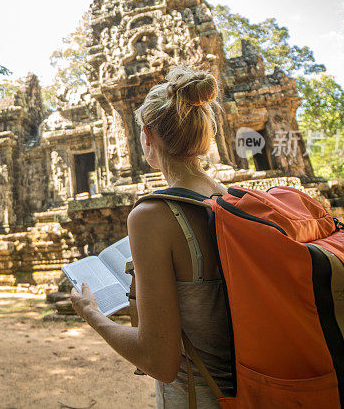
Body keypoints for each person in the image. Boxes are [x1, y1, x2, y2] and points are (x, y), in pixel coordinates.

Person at [70, 65, 234, 409]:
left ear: (147, 137)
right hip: (259, 389)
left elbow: (158, 360)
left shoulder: (152, 216)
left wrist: (92, 314)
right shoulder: (236, 199)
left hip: (201, 398)